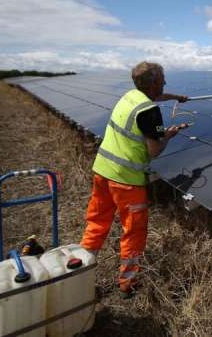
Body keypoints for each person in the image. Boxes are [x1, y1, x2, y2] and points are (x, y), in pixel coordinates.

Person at [80, 61, 188, 298]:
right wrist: (170, 135)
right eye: (163, 80)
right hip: (126, 182)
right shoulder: (149, 112)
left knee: (97, 222)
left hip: (102, 171)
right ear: (153, 83)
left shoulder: (130, 96)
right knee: (133, 232)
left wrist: (177, 97)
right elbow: (154, 151)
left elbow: (155, 97)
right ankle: (128, 284)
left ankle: (78, 271)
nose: (165, 83)